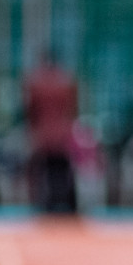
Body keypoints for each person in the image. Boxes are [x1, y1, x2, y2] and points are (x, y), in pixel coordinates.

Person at [24, 51, 79, 214]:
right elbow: (73, 109)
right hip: (62, 133)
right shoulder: (66, 81)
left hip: (44, 134)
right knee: (63, 170)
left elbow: (31, 111)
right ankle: (67, 204)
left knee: (43, 170)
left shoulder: (36, 82)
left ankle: (46, 204)